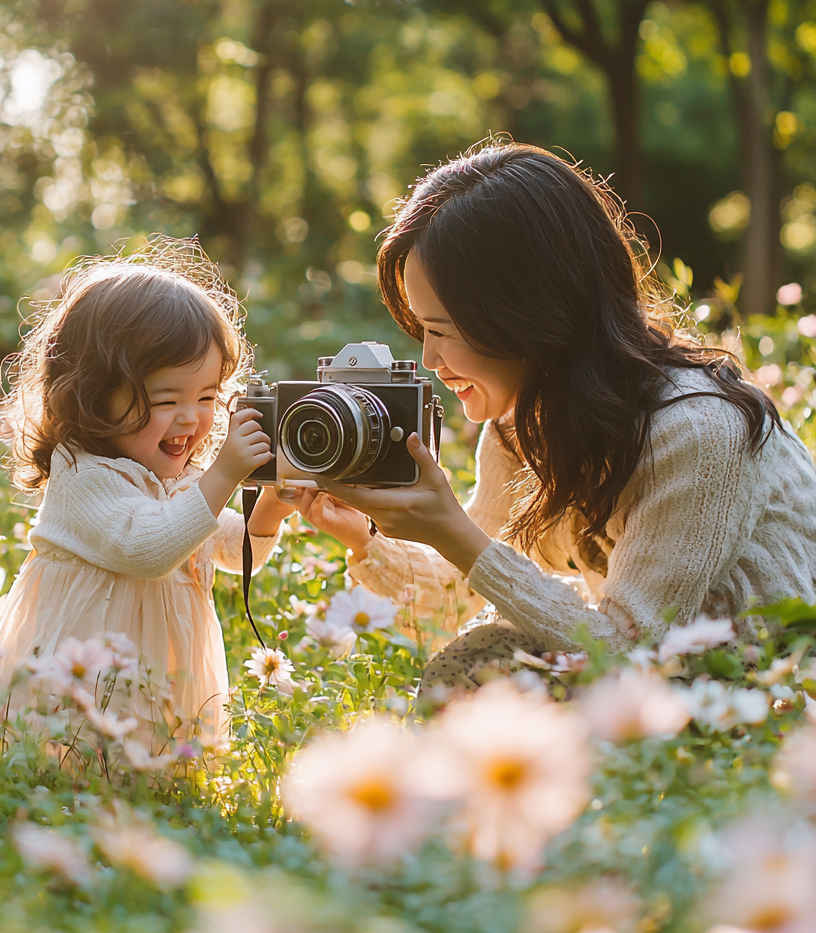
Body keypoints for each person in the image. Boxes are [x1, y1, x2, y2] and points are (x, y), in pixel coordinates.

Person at [298, 141, 816, 690]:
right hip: (672, 708)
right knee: (490, 658)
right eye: (422, 331)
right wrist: (364, 538)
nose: (429, 360)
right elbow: (463, 590)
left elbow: (631, 653)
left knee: (491, 663)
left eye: (443, 331)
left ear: (527, 314)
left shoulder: (696, 431)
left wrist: (455, 534)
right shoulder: (522, 426)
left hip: (774, 717)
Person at [0, 241, 295, 744]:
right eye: (166, 399)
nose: (191, 418)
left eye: (208, 396)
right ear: (94, 395)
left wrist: (272, 506)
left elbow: (232, 548)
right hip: (81, 688)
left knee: (154, 771)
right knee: (75, 765)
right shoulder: (83, 475)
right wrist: (225, 474)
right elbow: (148, 548)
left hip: (153, 682)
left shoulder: (179, 481)